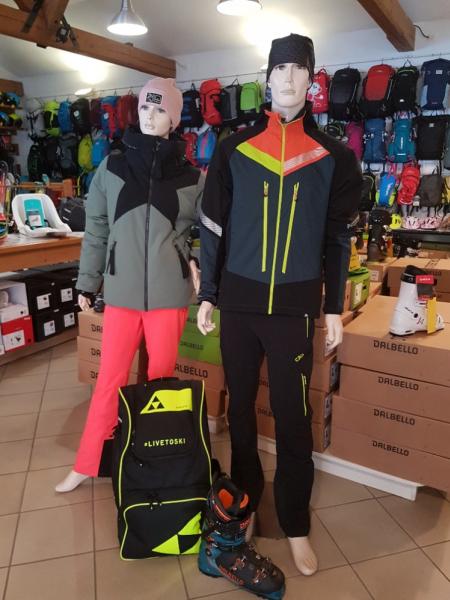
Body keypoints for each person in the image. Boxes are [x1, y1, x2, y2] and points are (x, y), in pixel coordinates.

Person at [197, 34, 362, 576]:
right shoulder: (234, 149)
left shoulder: (335, 157)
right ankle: (244, 504)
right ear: (266, 79)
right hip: (239, 306)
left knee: (294, 418)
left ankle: (295, 522)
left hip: (295, 310)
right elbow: (213, 228)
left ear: (312, 79)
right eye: (279, 69)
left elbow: (337, 238)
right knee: (241, 410)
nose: (288, 78)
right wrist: (208, 293)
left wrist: (332, 306)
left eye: (299, 69)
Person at [56, 78, 203, 492]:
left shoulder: (192, 177)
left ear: (174, 119)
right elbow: (96, 230)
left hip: (169, 295)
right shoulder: (112, 168)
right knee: (110, 380)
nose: (150, 117)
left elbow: (206, 230)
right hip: (121, 293)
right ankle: (88, 462)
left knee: (160, 381)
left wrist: (195, 258)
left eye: (160, 109)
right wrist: (87, 282)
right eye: (145, 108)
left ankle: (152, 460)